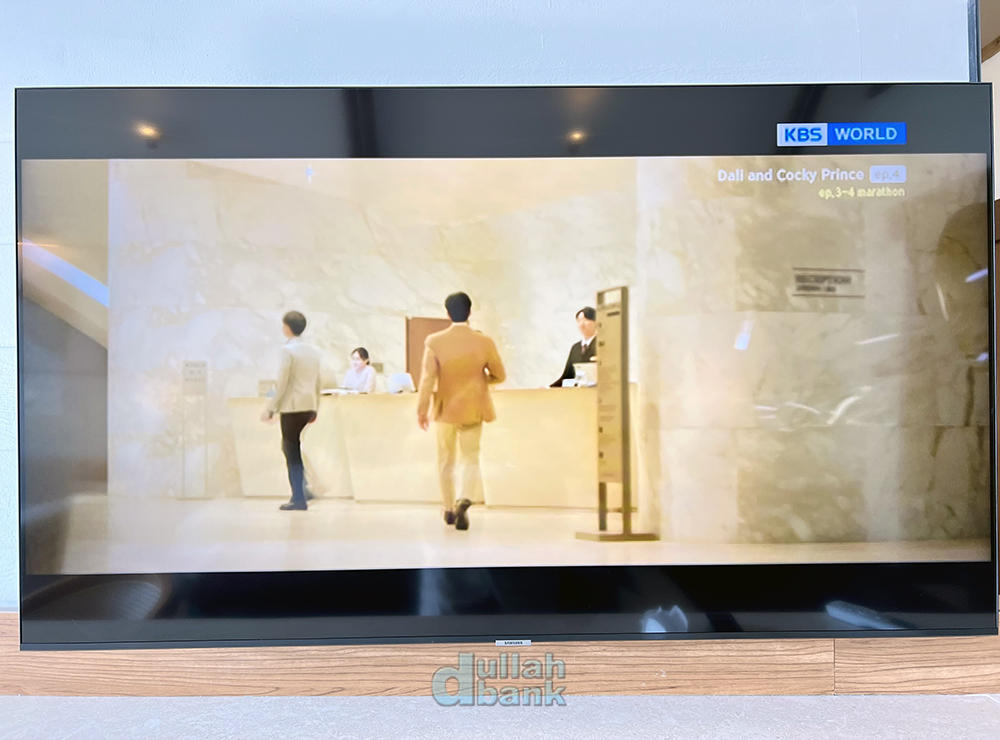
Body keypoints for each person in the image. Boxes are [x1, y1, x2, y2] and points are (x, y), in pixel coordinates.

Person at [416, 292, 506, 531]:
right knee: (470, 457)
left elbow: (427, 378)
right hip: (474, 407)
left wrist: (422, 408)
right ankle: (464, 499)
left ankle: (448, 508)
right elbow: (500, 375)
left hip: (445, 408)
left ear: (447, 313)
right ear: (470, 312)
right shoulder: (484, 342)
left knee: (445, 459)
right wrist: (481, 381)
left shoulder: (434, 341)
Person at [260, 311, 321, 511]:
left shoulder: (287, 351)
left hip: (293, 407)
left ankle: (298, 498)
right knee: (293, 448)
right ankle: (303, 489)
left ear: (287, 327)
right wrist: (315, 407)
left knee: (290, 450)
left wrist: (271, 408)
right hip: (308, 405)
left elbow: (283, 383)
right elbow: (318, 381)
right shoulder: (312, 351)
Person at [551, 306, 598, 387]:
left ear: (596, 322)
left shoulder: (602, 345)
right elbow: (567, 375)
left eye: (585, 320)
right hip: (577, 391)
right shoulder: (576, 348)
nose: (582, 324)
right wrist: (549, 388)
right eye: (579, 321)